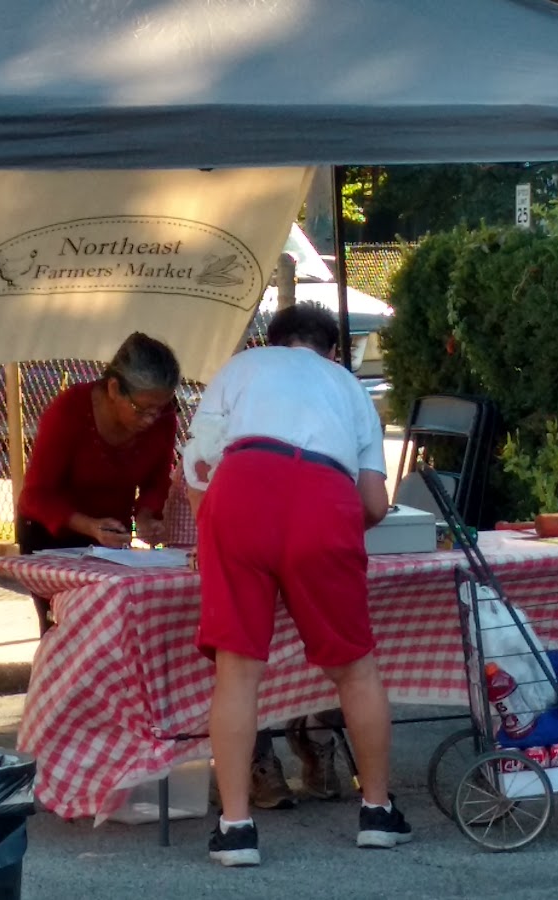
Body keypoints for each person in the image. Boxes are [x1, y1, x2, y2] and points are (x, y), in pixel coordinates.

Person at [184, 302, 410, 867]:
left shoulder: (240, 367)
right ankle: (377, 812)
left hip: (239, 491)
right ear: (333, 351)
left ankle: (236, 827)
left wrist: (212, 533)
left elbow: (195, 472)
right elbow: (375, 504)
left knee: (238, 669)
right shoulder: (347, 387)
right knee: (355, 667)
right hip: (322, 499)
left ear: (274, 340)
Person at [16, 332, 180, 633]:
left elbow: (157, 480)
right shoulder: (69, 411)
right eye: (141, 409)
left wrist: (146, 514)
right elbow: (35, 496)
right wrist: (89, 526)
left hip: (108, 539)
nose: (151, 420)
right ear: (115, 388)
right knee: (63, 629)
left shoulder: (164, 419)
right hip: (51, 534)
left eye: (161, 408)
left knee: (111, 629)